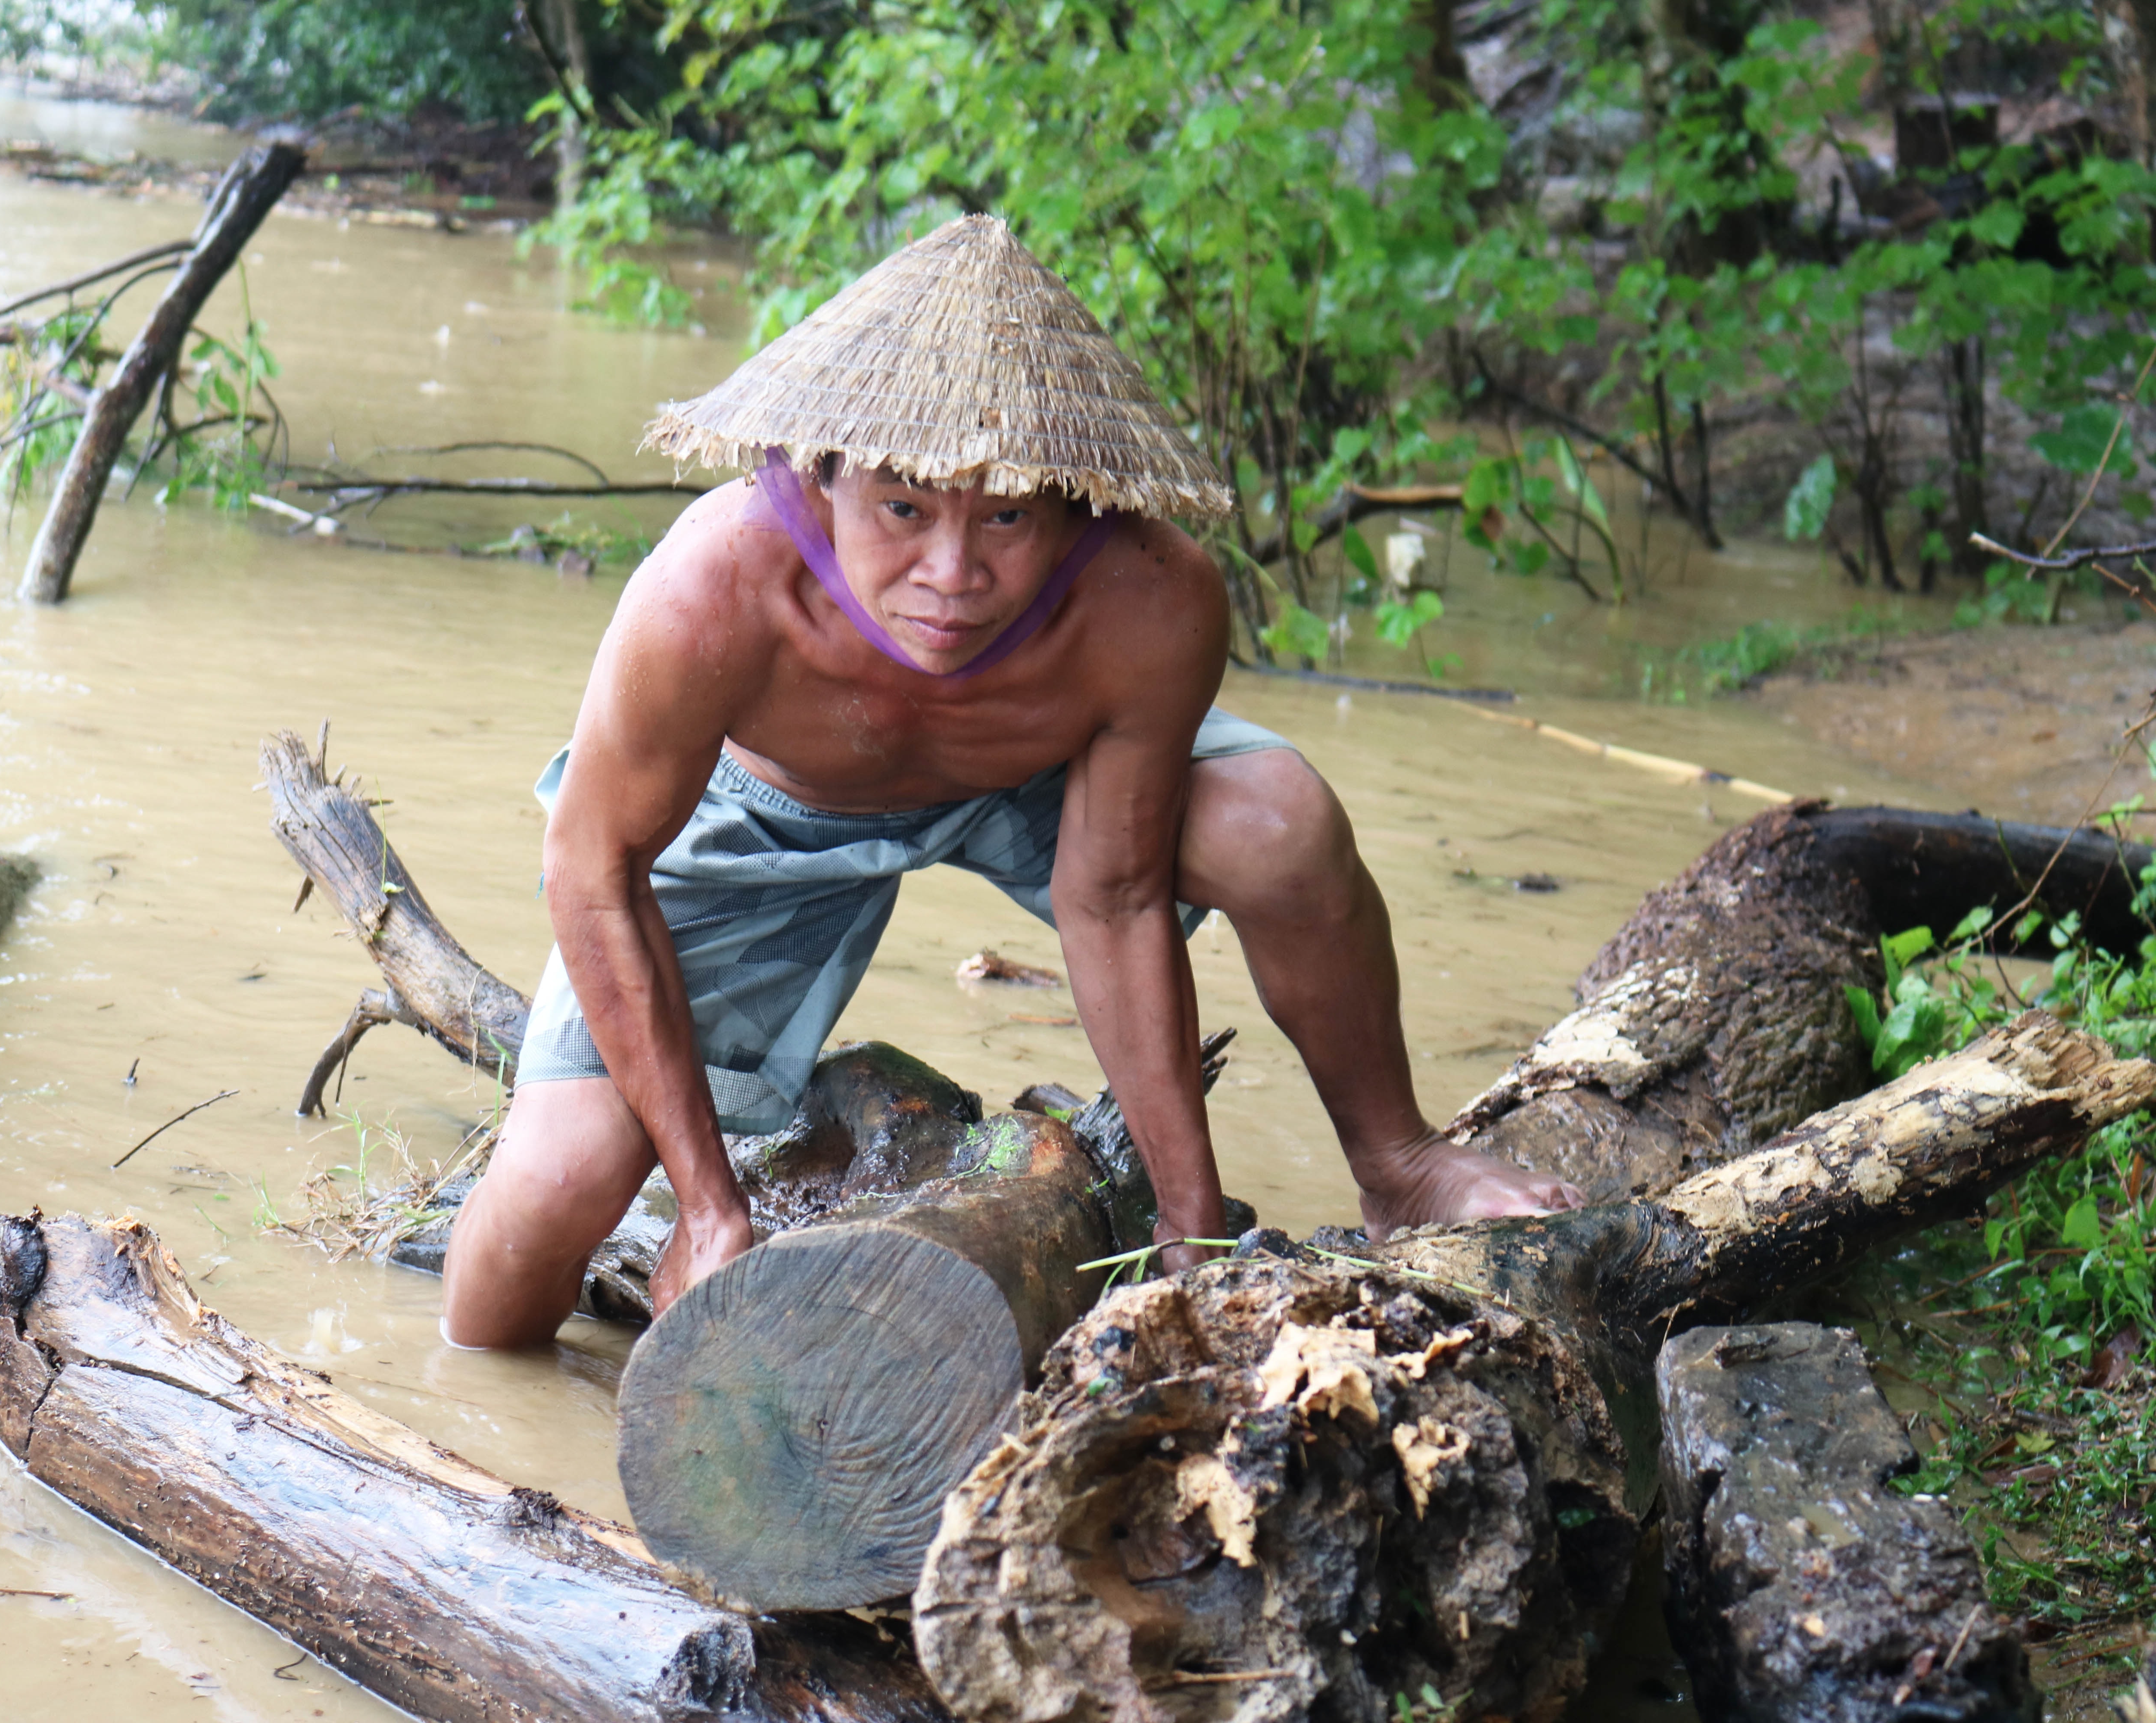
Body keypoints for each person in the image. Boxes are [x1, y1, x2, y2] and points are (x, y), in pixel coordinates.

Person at [441, 215, 1580, 1350]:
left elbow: (1116, 897)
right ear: (823, 472)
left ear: (1072, 503)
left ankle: (1399, 1161)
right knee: (539, 1218)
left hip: (1032, 776)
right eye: (903, 510)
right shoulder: (712, 589)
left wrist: (1192, 1247)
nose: (951, 576)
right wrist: (705, 1207)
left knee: (1280, 825)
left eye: (1006, 518)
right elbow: (592, 870)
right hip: (770, 812)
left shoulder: (1147, 595)